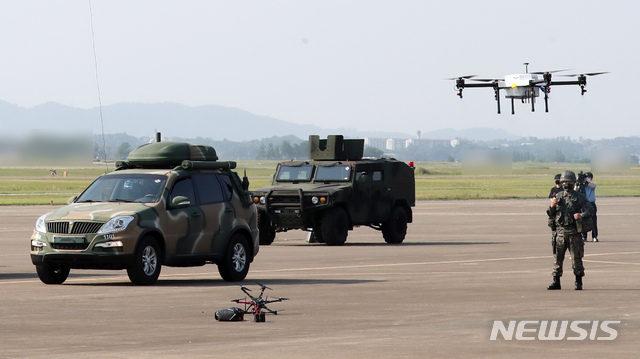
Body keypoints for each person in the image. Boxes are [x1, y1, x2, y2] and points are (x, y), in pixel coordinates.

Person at [546, 170, 594, 290]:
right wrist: (552, 206)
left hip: (574, 232)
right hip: (560, 233)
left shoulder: (580, 197)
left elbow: (590, 210)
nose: (566, 184)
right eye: (565, 182)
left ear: (573, 183)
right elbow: (551, 214)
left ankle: (578, 281)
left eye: (569, 182)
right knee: (558, 258)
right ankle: (556, 281)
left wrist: (581, 215)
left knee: (576, 258)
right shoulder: (558, 197)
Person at [581, 172, 598, 242]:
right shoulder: (582, 186)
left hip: (591, 204)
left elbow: (593, 186)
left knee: (593, 221)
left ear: (591, 178)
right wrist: (578, 183)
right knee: (583, 220)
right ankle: (584, 236)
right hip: (584, 204)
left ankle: (594, 236)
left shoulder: (592, 185)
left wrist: (587, 183)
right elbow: (575, 190)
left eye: (588, 177)